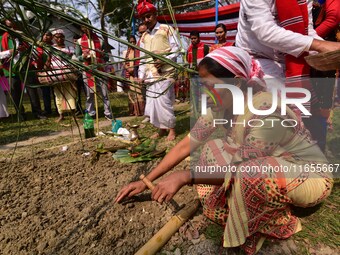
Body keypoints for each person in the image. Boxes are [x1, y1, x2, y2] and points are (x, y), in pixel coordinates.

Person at [115, 46, 334, 255]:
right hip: (269, 167)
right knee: (212, 149)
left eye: (210, 85)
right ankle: (255, 206)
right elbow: (186, 144)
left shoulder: (267, 109)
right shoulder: (222, 106)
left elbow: (242, 168)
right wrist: (146, 180)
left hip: (308, 176)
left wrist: (185, 177)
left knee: (250, 171)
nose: (206, 92)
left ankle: (280, 221)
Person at [235, 0, 340, 151]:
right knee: (281, 116)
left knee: (310, 117)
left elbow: (306, 30)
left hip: (291, 60)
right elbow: (266, 32)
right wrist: (320, 45)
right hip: (256, 60)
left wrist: (331, 51)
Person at [136, 0, 180, 141]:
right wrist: (140, 75)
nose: (146, 20)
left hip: (166, 72)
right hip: (150, 75)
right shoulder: (144, 36)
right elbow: (143, 58)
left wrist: (164, 60)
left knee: (163, 101)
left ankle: (171, 130)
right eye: (143, 18)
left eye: (148, 16)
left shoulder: (166, 29)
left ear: (155, 14)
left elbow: (178, 48)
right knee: (153, 102)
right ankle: (161, 129)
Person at [75, 21, 112, 120]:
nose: (86, 29)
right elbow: (76, 57)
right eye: (84, 27)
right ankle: (91, 113)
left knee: (104, 92)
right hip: (87, 70)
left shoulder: (100, 40)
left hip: (100, 69)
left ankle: (108, 112)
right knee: (89, 94)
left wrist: (103, 55)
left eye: (88, 27)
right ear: (82, 29)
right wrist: (83, 57)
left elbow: (107, 56)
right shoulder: (79, 42)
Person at [48, 29, 77, 122]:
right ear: (53, 38)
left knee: (71, 93)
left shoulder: (70, 49)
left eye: (61, 37)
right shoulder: (51, 49)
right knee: (58, 94)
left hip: (68, 73)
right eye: (57, 37)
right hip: (56, 74)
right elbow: (48, 61)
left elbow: (74, 61)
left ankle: (73, 113)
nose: (59, 39)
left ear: (64, 38)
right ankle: (61, 114)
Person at [122, 35, 145, 116]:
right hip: (129, 75)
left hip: (137, 74)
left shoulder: (139, 51)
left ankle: (140, 111)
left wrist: (134, 70)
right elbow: (124, 63)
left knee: (138, 91)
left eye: (133, 41)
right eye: (130, 42)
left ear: (136, 42)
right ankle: (133, 112)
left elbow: (141, 62)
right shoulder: (126, 52)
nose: (132, 43)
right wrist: (128, 69)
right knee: (131, 93)